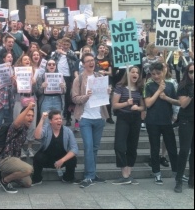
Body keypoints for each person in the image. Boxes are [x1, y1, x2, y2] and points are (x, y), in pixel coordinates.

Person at [71, 53, 109, 188]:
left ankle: (92, 173)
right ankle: (88, 176)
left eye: (92, 60)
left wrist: (108, 91)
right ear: (83, 64)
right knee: (88, 147)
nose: (91, 63)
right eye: (88, 61)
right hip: (85, 117)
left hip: (99, 117)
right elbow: (74, 98)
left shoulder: (100, 77)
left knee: (95, 148)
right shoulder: (79, 79)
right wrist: (86, 96)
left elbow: (104, 96)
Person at [143, 62, 179, 185]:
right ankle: (157, 173)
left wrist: (175, 115)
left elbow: (176, 101)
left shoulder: (170, 85)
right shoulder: (149, 85)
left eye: (158, 73)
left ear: (163, 72)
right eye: (153, 74)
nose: (156, 76)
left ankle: (176, 172)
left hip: (167, 120)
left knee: (172, 148)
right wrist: (159, 91)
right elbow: (148, 103)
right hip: (152, 121)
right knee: (155, 148)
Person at [112, 66, 145, 185]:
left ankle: (128, 174)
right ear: (128, 73)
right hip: (123, 118)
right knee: (119, 145)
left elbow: (143, 107)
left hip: (135, 118)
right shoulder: (120, 87)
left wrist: (138, 107)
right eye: (133, 72)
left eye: (137, 72)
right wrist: (126, 103)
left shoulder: (140, 88)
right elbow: (114, 105)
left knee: (132, 146)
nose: (135, 74)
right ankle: (124, 174)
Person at [0, 103, 36, 193]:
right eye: (28, 115)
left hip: (14, 159)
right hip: (5, 159)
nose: (31, 118)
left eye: (32, 116)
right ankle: (4, 181)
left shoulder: (25, 129)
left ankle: (1, 174)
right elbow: (16, 123)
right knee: (28, 169)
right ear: (22, 115)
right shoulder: (16, 126)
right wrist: (29, 106)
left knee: (27, 183)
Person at [32, 110, 78, 185]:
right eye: (56, 119)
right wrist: (42, 119)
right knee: (37, 157)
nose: (59, 120)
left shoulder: (68, 131)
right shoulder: (46, 128)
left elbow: (74, 149)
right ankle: (37, 179)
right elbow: (37, 136)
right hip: (47, 158)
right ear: (50, 121)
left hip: (61, 158)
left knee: (72, 158)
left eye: (60, 119)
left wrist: (62, 160)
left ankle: (68, 178)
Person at [174, 63, 194, 193]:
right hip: (186, 120)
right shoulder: (183, 86)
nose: (193, 74)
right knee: (184, 150)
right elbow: (183, 104)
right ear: (187, 73)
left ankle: (192, 179)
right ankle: (179, 179)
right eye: (191, 72)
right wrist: (191, 94)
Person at [51, 37, 78, 126]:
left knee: (67, 98)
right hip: (57, 76)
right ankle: (57, 115)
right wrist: (57, 52)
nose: (65, 46)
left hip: (68, 77)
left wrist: (65, 53)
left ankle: (68, 116)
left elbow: (75, 58)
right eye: (64, 44)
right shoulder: (57, 52)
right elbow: (51, 60)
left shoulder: (71, 52)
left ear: (70, 45)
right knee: (58, 96)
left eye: (67, 44)